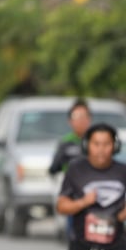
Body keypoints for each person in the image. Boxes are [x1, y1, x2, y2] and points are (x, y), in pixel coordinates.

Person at [50, 99, 92, 240]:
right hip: (73, 191)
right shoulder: (66, 143)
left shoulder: (96, 141)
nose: (81, 121)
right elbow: (54, 167)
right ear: (70, 122)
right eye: (77, 118)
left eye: (84, 117)